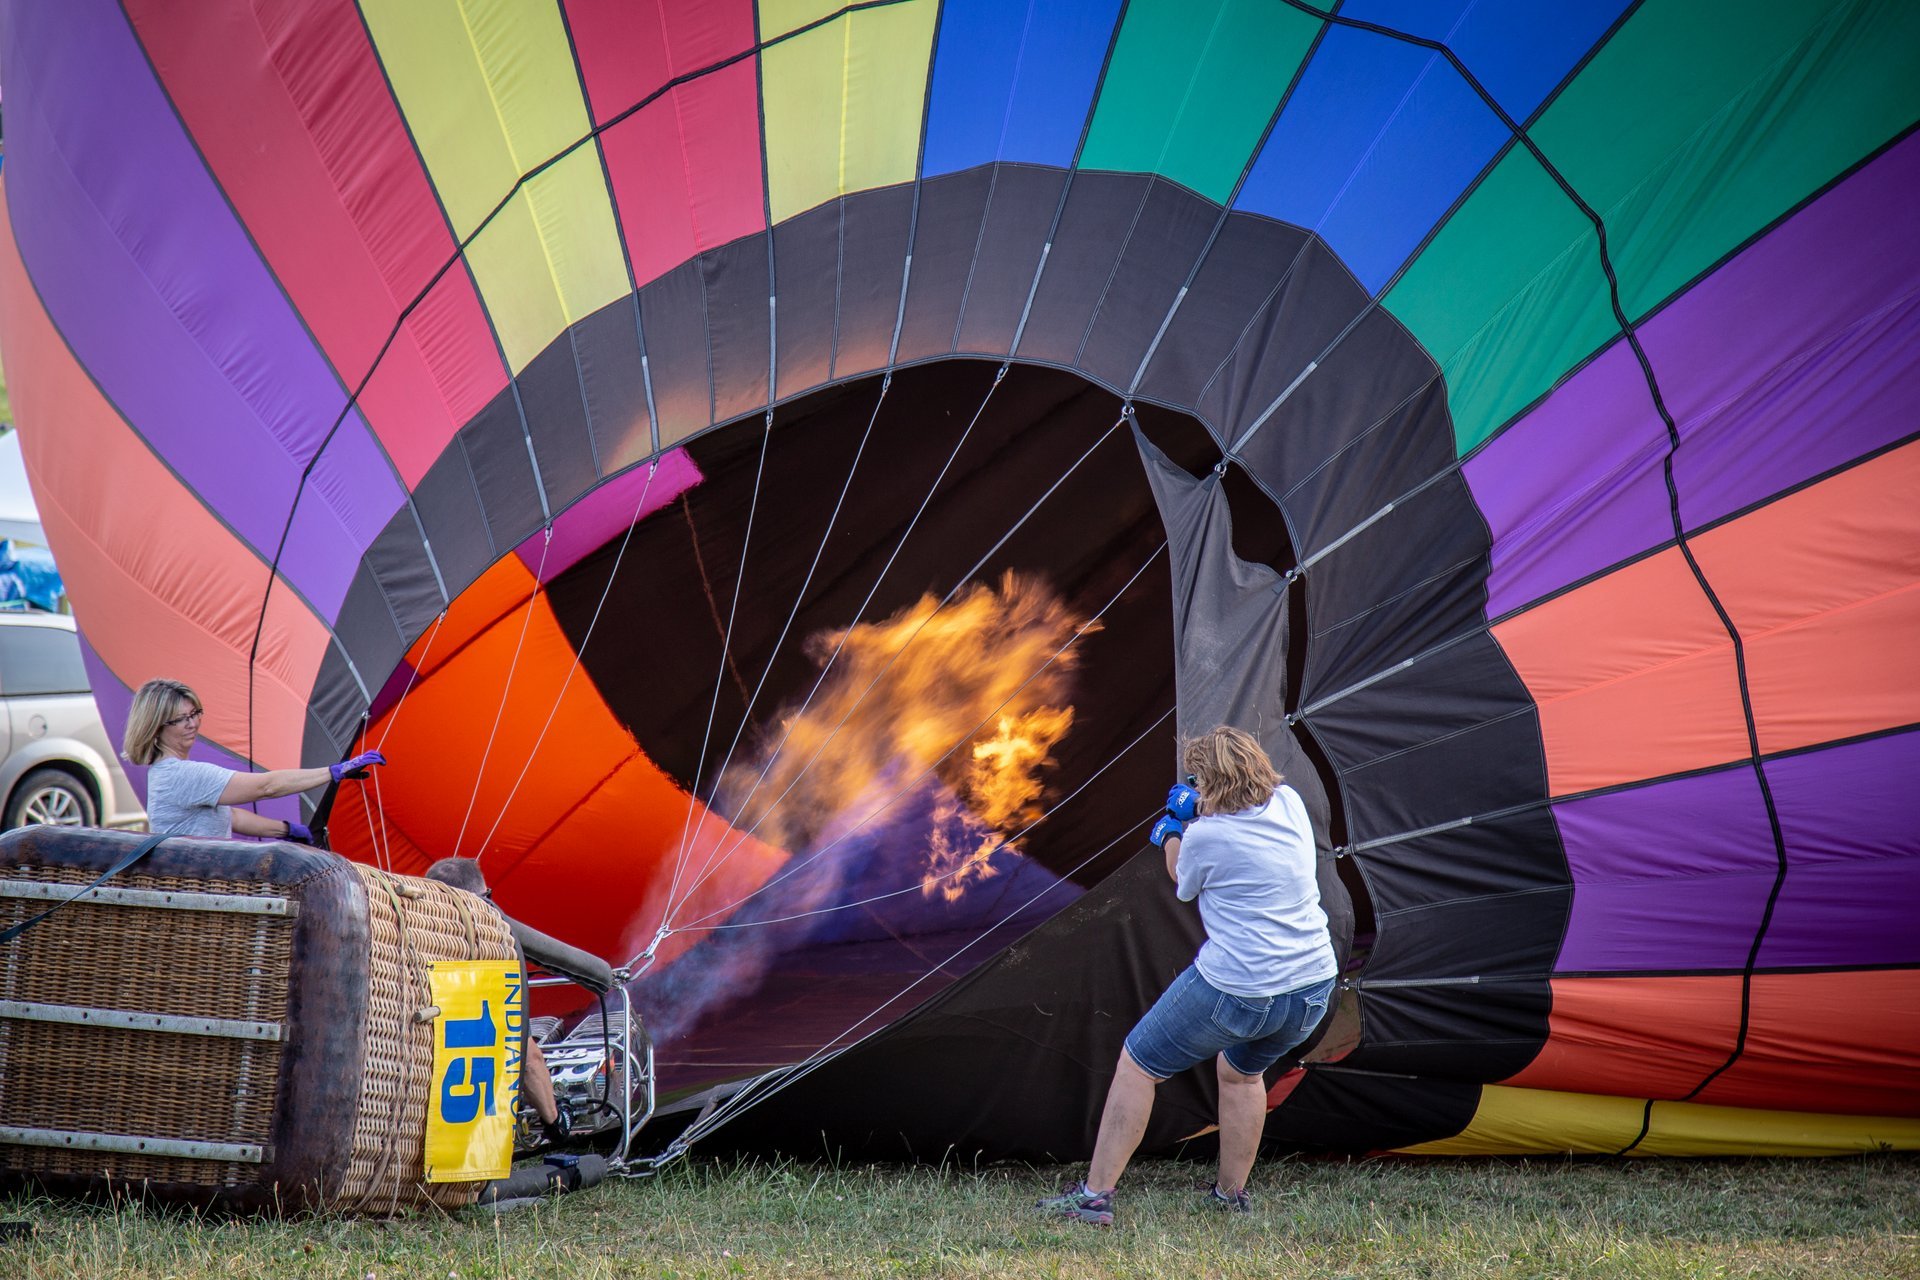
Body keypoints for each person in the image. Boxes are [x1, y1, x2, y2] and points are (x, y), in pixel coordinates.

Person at [1038, 725, 1337, 1226]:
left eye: (1199, 781)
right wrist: (1199, 809)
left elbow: (1181, 879)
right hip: (1312, 986)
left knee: (1138, 1064)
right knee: (1241, 1074)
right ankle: (1231, 1196)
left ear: (1212, 783)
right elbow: (1239, 818)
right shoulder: (1288, 802)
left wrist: (1174, 828)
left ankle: (1094, 1197)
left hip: (1239, 988)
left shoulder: (1206, 836)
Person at [122, 677, 385, 840]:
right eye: (180, 719)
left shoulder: (165, 773)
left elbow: (231, 817)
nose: (192, 724)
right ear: (156, 727)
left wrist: (288, 831)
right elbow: (266, 787)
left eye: (195, 713)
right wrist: (332, 772)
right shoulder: (180, 775)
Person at [422, 856, 569, 1147]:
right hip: (466, 1138)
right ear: (482, 902)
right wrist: (555, 1122)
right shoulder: (489, 969)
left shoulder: (409, 958)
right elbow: (528, 1061)